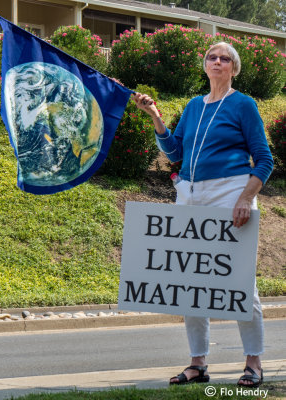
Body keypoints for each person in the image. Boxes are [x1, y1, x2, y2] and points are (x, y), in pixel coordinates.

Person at [132, 41, 273, 388]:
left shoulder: (243, 105)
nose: (218, 61)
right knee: (190, 281)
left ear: (233, 68)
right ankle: (198, 363)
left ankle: (253, 363)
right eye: (212, 57)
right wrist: (156, 118)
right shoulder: (194, 106)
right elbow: (174, 152)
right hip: (191, 192)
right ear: (205, 65)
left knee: (240, 282)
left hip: (231, 192)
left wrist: (245, 198)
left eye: (225, 58)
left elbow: (264, 159)